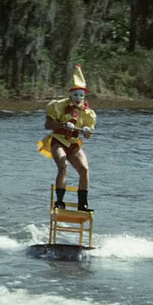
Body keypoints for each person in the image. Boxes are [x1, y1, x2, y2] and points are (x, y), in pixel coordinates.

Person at [37, 64, 97, 212]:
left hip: (74, 143)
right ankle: (59, 201)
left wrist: (87, 131)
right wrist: (63, 125)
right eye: (76, 95)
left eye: (81, 95)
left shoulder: (88, 113)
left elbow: (87, 136)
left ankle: (82, 204)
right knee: (63, 166)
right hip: (59, 140)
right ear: (70, 94)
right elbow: (48, 125)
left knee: (84, 169)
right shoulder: (59, 106)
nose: (78, 98)